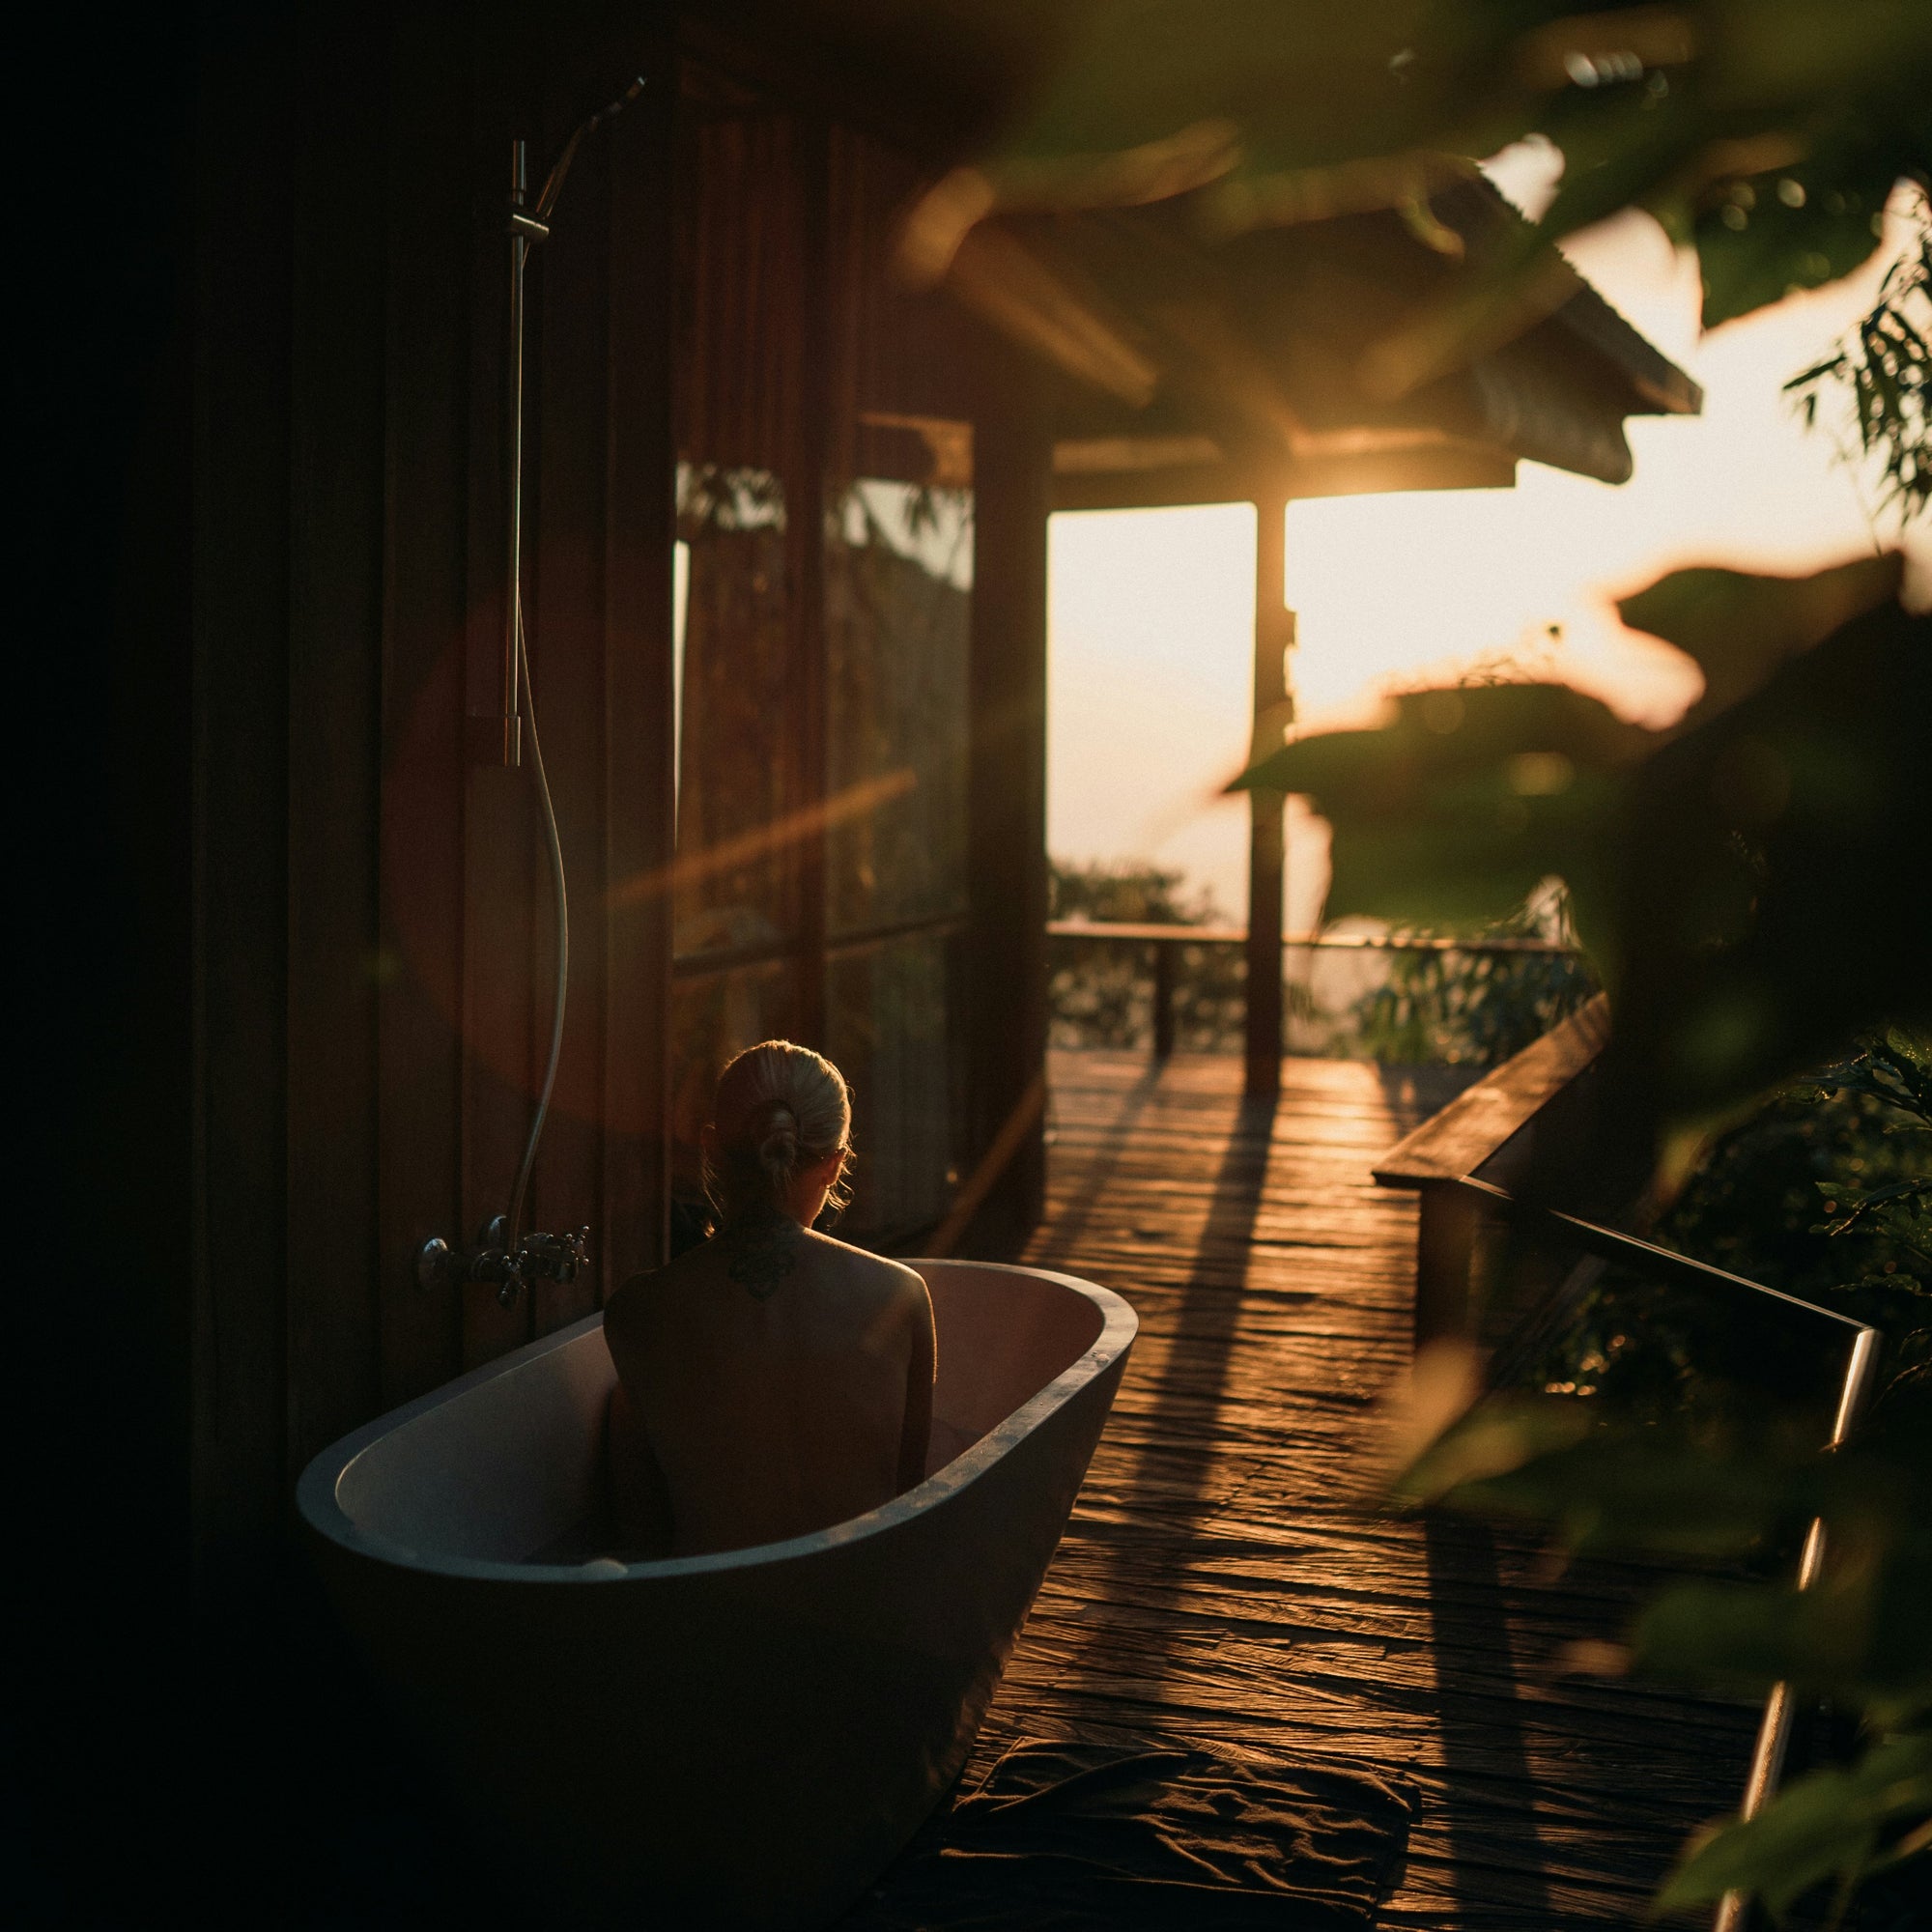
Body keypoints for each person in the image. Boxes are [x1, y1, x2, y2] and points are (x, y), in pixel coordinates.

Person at [602, 1040, 936, 1558]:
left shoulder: (638, 1310)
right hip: (866, 1609)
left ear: (710, 1146)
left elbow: (642, 1536)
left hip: (716, 1614)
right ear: (834, 1164)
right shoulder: (902, 1295)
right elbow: (913, 1506)